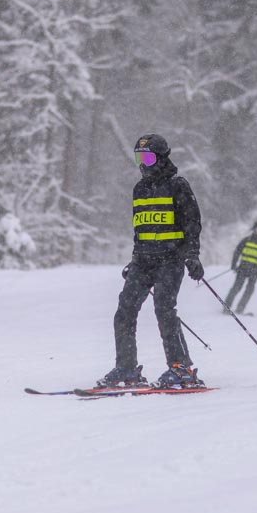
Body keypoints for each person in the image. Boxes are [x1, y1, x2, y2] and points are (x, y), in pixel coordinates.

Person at [97, 134, 205, 388]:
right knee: (124, 311)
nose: (143, 164)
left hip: (171, 259)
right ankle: (126, 368)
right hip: (143, 262)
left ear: (161, 158)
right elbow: (140, 228)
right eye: (139, 158)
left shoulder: (178, 186)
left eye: (147, 157)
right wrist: (134, 259)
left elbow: (192, 223)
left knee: (164, 309)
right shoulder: (140, 189)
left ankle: (181, 368)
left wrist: (192, 255)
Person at [223, 220, 257, 315]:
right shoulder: (246, 240)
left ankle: (240, 308)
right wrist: (234, 264)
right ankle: (226, 307)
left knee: (249, 290)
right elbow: (237, 252)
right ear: (254, 230)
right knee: (237, 287)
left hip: (255, 271)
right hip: (243, 268)